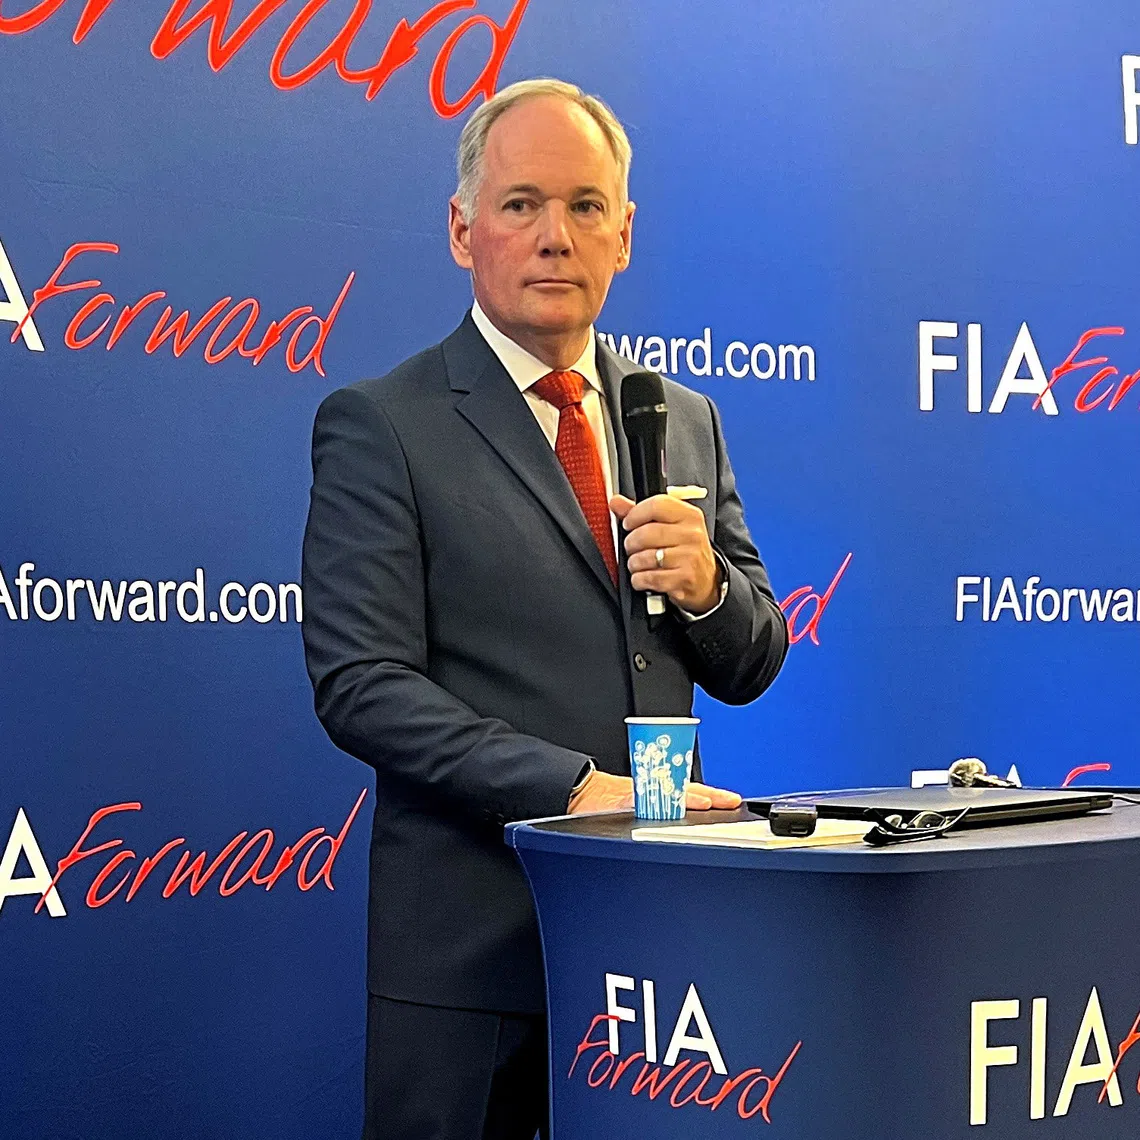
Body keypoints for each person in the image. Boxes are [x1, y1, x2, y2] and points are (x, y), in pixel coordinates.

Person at [301, 77, 788, 1140]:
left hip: (657, 959)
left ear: (624, 233)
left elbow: (753, 659)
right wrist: (573, 787)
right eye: (521, 204)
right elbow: (362, 687)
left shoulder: (682, 417)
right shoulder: (384, 424)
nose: (555, 236)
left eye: (583, 206)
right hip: (472, 961)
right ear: (462, 228)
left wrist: (706, 590)